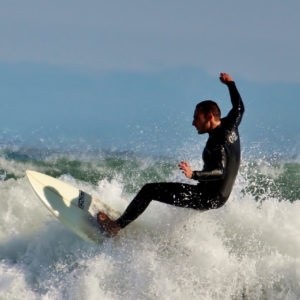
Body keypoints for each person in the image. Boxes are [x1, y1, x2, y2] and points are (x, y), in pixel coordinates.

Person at [98, 72, 245, 237]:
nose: (193, 123)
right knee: (167, 199)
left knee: (149, 190)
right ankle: (172, 244)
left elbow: (220, 171)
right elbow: (239, 106)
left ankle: (115, 227)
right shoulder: (231, 124)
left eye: (197, 118)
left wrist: (193, 174)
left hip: (208, 197)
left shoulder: (217, 142)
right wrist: (230, 84)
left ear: (209, 117)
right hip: (217, 196)